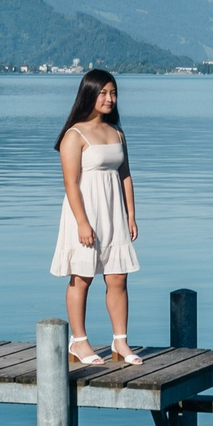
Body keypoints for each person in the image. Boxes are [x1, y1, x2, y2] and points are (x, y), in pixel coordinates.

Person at [48, 68, 142, 365]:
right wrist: (82, 222)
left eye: (113, 93)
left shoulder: (116, 132)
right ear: (89, 93)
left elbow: (125, 175)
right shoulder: (74, 135)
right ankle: (79, 342)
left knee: (118, 277)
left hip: (114, 211)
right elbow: (70, 183)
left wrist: (131, 215)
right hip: (85, 211)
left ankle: (120, 343)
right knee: (83, 276)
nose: (109, 99)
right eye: (103, 93)